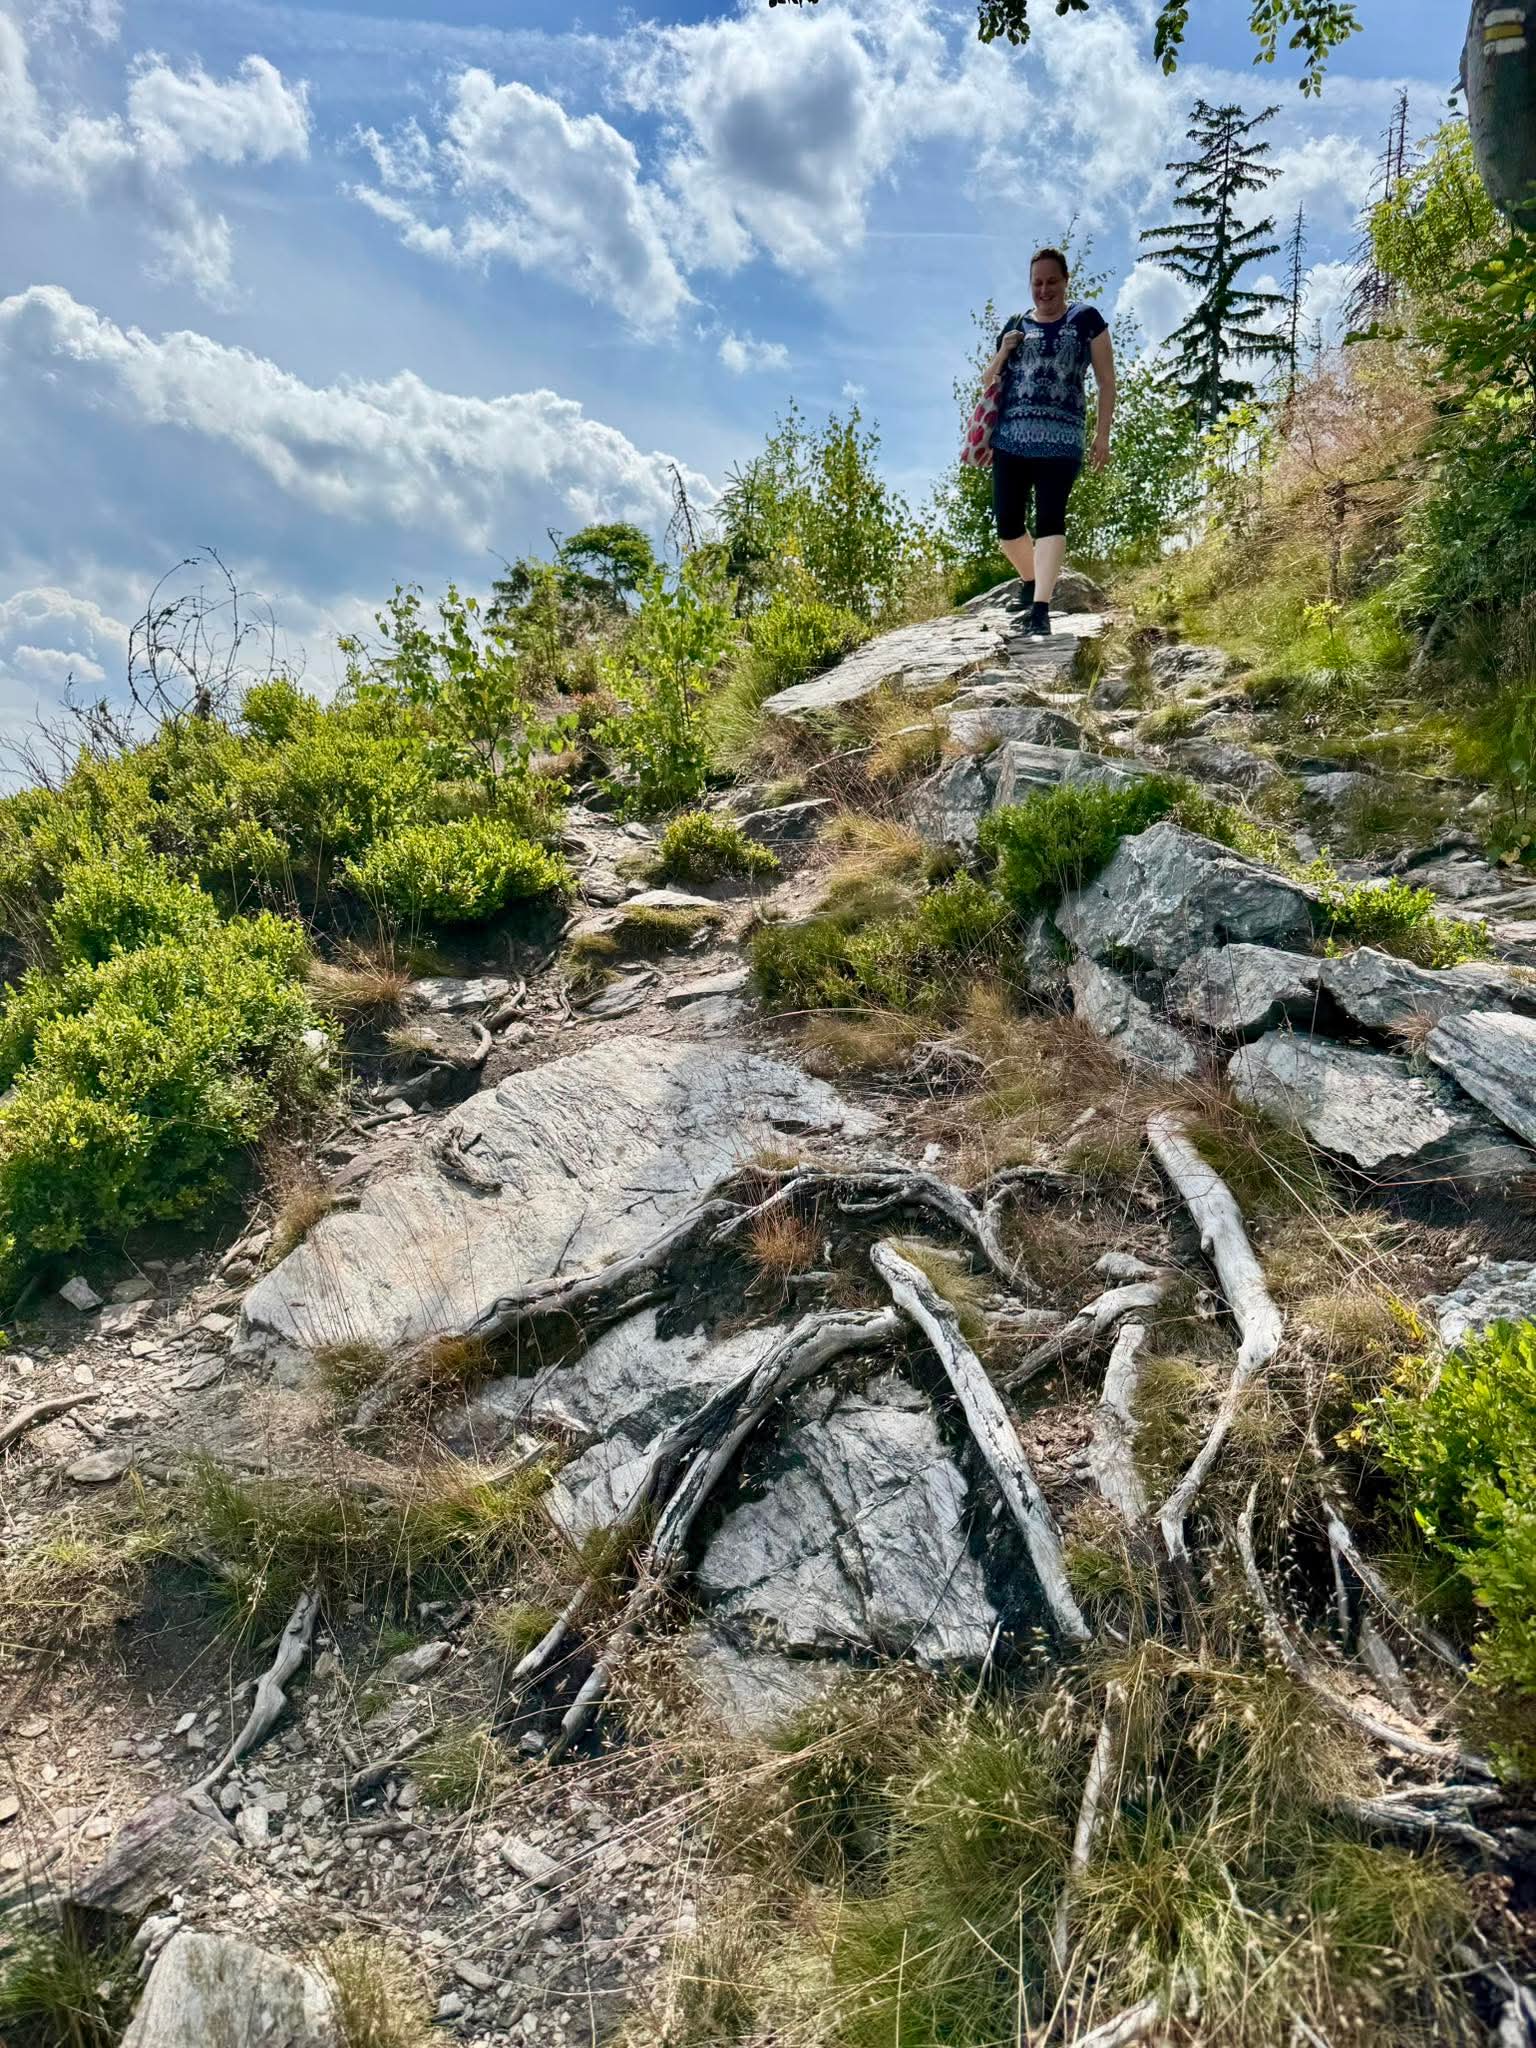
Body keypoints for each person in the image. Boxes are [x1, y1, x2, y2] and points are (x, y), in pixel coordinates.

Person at [980, 248, 1116, 638]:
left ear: (1065, 280)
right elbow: (988, 381)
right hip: (1010, 440)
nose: (1044, 290)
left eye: (1052, 281)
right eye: (1037, 282)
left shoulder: (1086, 319)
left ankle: (1040, 608)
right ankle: (1030, 581)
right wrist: (1004, 350)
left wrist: (1101, 434)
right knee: (1007, 525)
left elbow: (1107, 381)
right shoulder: (1016, 325)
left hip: (1062, 438)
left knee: (1050, 519)